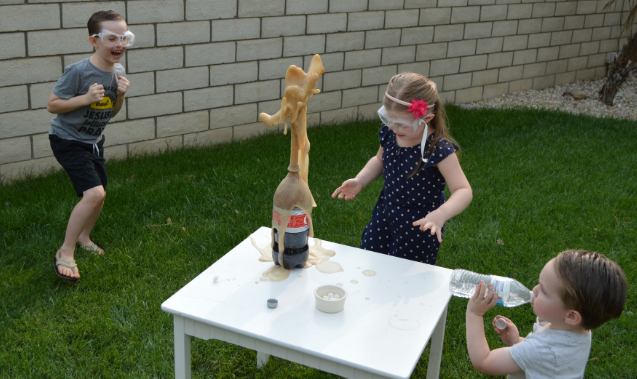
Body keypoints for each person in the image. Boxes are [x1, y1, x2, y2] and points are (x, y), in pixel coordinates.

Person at [331, 73, 472, 264]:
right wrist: (360, 180)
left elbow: (463, 190)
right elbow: (379, 160)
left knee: (405, 277)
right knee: (369, 261)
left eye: (403, 125)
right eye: (388, 120)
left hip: (419, 225)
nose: (395, 128)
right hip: (385, 214)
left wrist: (441, 214)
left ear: (427, 118)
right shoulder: (391, 134)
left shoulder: (438, 149)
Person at [47, 10, 133, 283]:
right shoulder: (79, 71)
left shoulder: (117, 71)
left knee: (100, 193)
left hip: (93, 142)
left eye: (124, 37)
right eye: (111, 38)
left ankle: (84, 237)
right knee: (94, 194)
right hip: (67, 139)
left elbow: (112, 112)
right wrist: (85, 98)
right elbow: (53, 105)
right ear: (94, 41)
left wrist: (119, 96)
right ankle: (65, 251)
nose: (119, 44)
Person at [465, 249, 627, 378]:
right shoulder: (579, 330)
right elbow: (547, 358)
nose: (534, 290)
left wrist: (474, 314)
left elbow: (483, 362)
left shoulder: (542, 349)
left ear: (571, 316)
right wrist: (518, 341)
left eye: (544, 291)